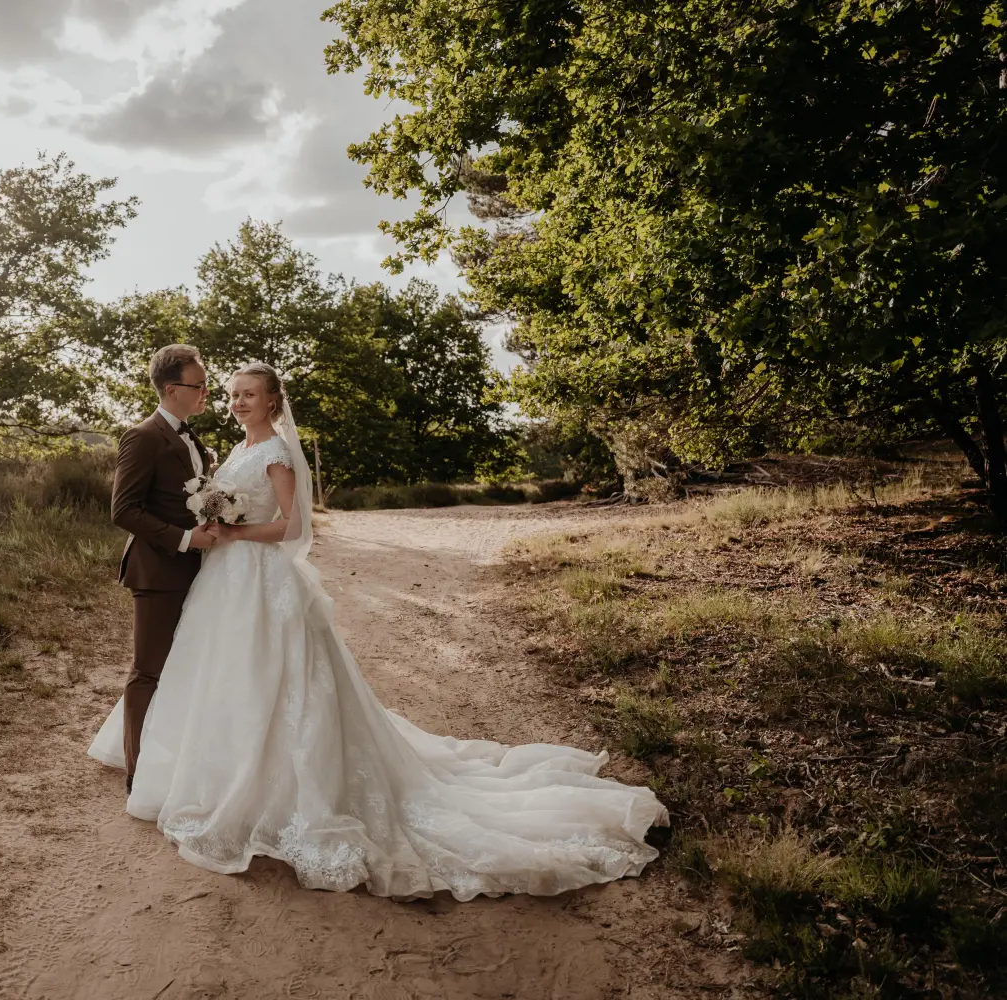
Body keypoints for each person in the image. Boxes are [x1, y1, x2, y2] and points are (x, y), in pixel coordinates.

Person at [92, 360, 669, 899]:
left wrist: (236, 533)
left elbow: (292, 529)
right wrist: (214, 526)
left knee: (276, 677)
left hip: (256, 575)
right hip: (225, 579)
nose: (237, 400)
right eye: (231, 393)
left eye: (249, 393)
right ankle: (215, 773)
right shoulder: (231, 444)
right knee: (225, 677)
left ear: (274, 399)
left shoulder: (275, 452)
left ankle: (279, 790)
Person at [109, 344, 218, 792]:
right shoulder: (143, 436)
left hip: (200, 571)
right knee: (148, 670)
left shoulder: (193, 439)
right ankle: (137, 771)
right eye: (199, 385)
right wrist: (186, 538)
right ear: (172, 389)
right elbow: (124, 510)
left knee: (190, 666)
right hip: (158, 571)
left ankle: (178, 758)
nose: (206, 392)